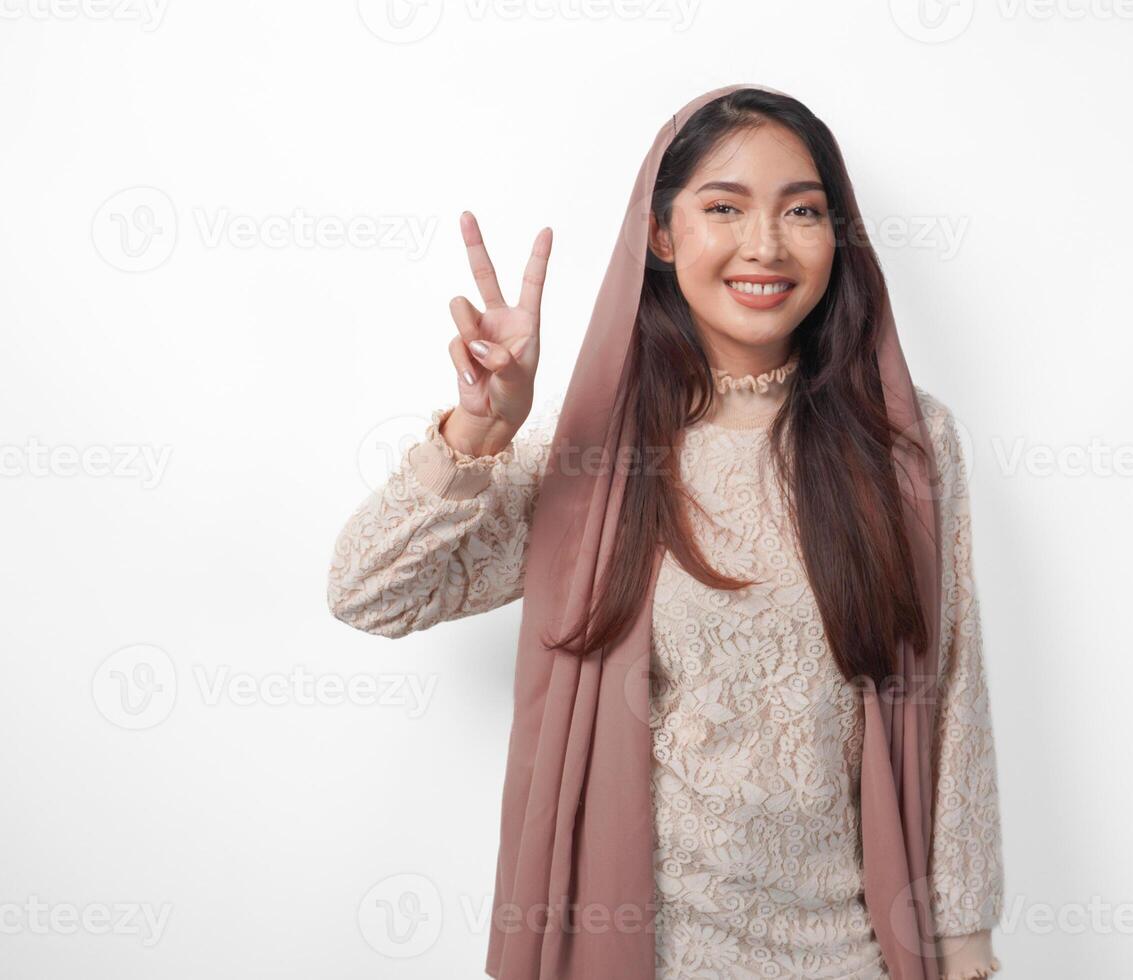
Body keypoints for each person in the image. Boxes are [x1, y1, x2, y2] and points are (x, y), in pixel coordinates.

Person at [328, 84, 1003, 979]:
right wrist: (479, 431)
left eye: (802, 211)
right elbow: (369, 593)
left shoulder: (906, 442)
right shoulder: (598, 460)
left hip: (851, 957)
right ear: (661, 234)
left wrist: (963, 947)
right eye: (723, 207)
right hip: (637, 957)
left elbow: (951, 690)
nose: (765, 244)